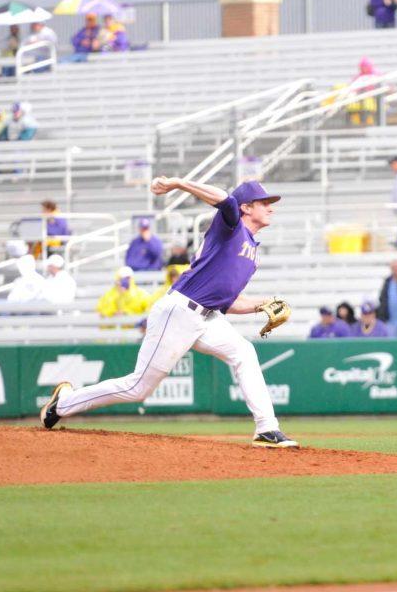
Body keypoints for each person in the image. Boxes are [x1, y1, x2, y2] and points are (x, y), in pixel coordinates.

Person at [43, 177, 299, 448]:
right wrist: (178, 183)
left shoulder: (253, 252)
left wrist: (263, 304)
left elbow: (228, 301)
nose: (271, 208)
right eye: (264, 203)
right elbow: (224, 199)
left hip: (209, 316)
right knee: (138, 388)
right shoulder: (232, 226)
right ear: (246, 207)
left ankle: (267, 429)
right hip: (179, 312)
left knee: (244, 352)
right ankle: (65, 403)